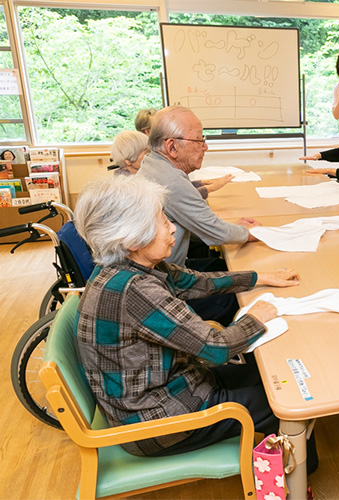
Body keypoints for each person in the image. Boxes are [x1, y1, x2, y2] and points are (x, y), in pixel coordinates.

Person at [74, 174, 300, 457]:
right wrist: (256, 318)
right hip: (156, 421)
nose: (172, 230)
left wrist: (260, 277)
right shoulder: (136, 291)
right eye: (163, 222)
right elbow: (216, 348)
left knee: (270, 375)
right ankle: (297, 479)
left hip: (164, 390)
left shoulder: (125, 266)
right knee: (284, 401)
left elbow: (199, 282)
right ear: (132, 238)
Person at [137, 105, 258, 325]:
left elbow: (198, 226)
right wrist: (254, 233)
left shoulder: (153, 164)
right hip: (162, 289)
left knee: (222, 268)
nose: (206, 147)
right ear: (172, 147)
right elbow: (216, 233)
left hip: (164, 274)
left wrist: (230, 227)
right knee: (236, 298)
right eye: (199, 141)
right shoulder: (170, 180)